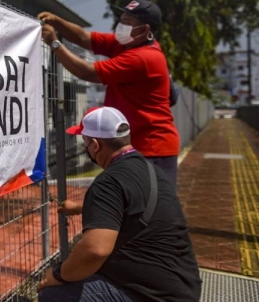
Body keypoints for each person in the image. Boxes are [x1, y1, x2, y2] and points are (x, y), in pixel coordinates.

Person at [37, 106, 201, 302]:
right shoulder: (150, 170)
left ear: (95, 145)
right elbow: (129, 206)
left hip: (152, 295)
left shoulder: (108, 182)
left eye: (85, 142)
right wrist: (81, 207)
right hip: (182, 288)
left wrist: (58, 274)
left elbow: (95, 250)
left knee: (53, 295)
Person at [38, 0, 180, 187]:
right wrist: (57, 21)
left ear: (145, 30)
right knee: (130, 201)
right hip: (134, 143)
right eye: (122, 20)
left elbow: (87, 72)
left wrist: (54, 43)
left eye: (127, 23)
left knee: (151, 203)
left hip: (152, 147)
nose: (121, 26)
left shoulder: (143, 57)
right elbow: (84, 38)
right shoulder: (127, 44)